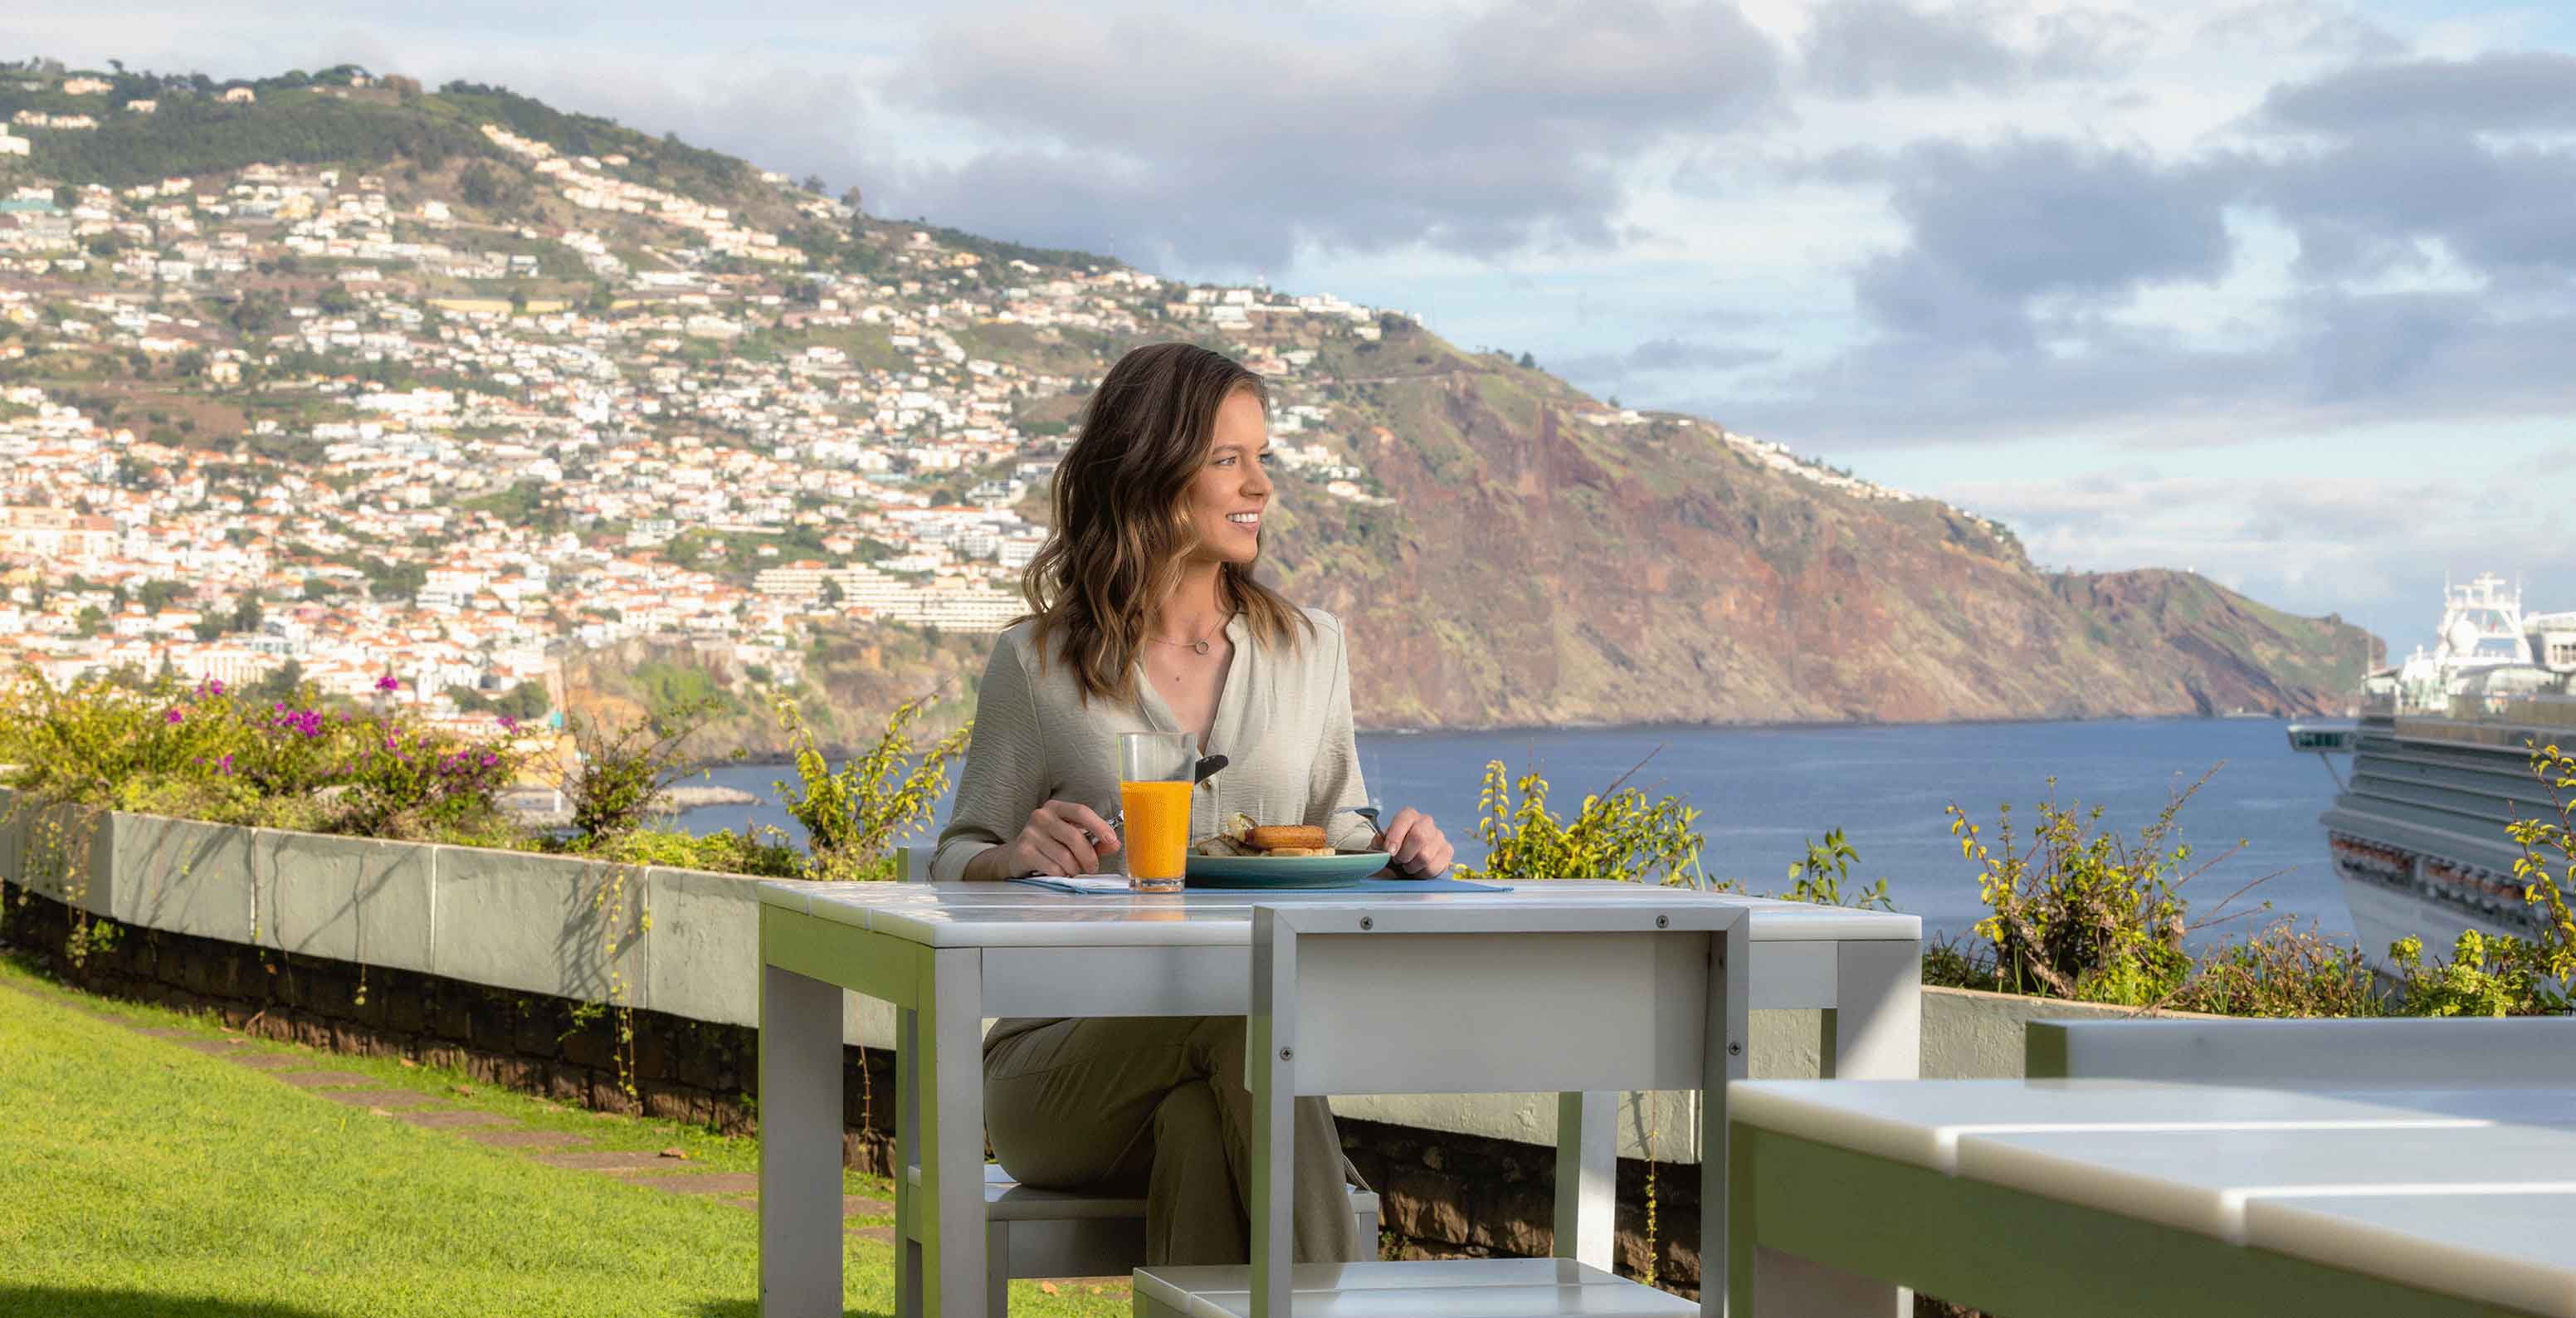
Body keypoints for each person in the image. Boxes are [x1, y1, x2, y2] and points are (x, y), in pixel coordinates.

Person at [931, 341, 1455, 1267]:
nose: (1259, 484)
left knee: (1199, 1121)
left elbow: (1340, 828)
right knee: (1252, 1017)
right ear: (1150, 466)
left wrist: (1397, 845)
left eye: (1262, 458)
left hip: (1215, 1064)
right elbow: (951, 859)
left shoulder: (1309, 647)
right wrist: (1008, 855)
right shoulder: (1037, 664)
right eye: (1229, 458)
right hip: (1057, 1071)